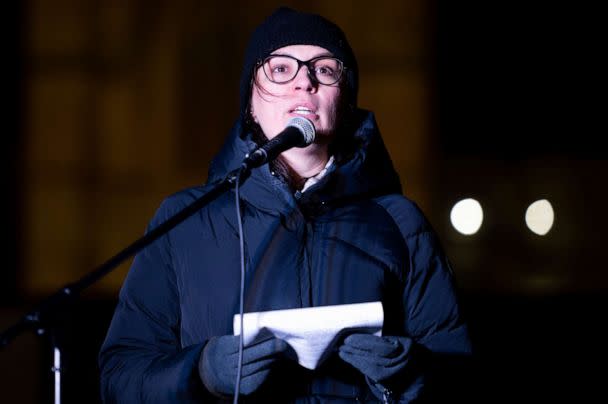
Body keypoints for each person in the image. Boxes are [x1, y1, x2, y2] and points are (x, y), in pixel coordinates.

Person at [99, 6, 472, 403]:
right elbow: (120, 378)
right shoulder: (185, 221)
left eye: (325, 70)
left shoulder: (399, 222)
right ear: (250, 105)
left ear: (343, 100)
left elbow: (461, 375)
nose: (304, 83)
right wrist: (201, 371)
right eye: (281, 69)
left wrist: (413, 374)